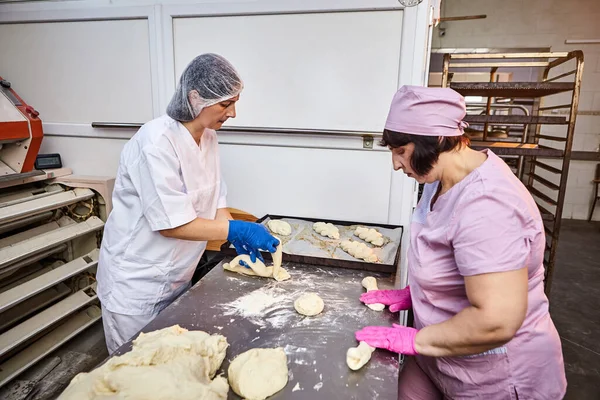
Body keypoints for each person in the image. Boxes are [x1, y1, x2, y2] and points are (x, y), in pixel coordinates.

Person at [355, 86, 567, 399]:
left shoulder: (489, 205)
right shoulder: (439, 178)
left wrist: (413, 341)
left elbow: (494, 322)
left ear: (438, 140)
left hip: (495, 376)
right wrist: (420, 294)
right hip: (439, 357)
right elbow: (454, 260)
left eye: (401, 151)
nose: (396, 165)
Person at [96, 53, 279, 354]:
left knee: (170, 371)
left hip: (178, 278)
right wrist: (235, 230)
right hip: (136, 285)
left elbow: (215, 200)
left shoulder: (209, 138)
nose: (232, 113)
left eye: (234, 102)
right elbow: (172, 225)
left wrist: (229, 236)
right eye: (225, 103)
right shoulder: (155, 143)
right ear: (196, 98)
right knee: (134, 373)